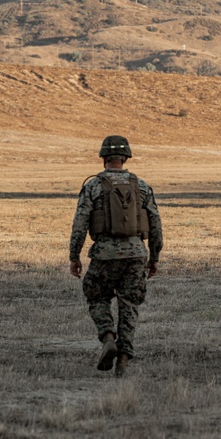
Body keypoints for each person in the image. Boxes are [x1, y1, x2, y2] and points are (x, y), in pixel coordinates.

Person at [69, 135, 163, 375]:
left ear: (103, 158)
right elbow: (155, 223)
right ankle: (123, 358)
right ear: (126, 157)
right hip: (135, 255)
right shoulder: (141, 186)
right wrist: (154, 257)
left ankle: (108, 336)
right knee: (129, 306)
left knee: (97, 297)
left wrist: (74, 256)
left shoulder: (93, 186)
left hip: (104, 255)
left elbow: (80, 222)